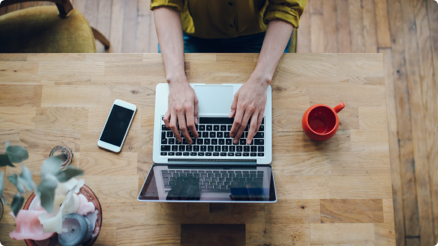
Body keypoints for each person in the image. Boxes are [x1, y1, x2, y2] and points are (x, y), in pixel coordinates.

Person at [151, 0, 307, 145]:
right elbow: (166, 2)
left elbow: (287, 5)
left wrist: (260, 80)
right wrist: (177, 80)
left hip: (259, 32)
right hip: (194, 31)